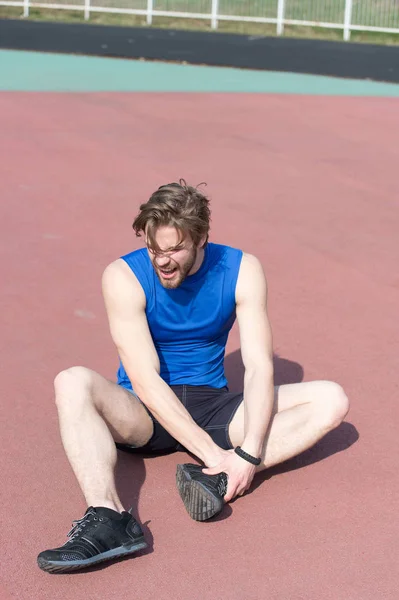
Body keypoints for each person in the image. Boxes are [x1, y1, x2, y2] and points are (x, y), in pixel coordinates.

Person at [37, 180, 349, 573]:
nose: (162, 261)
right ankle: (109, 518)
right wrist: (210, 454)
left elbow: (257, 367)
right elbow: (146, 379)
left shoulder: (242, 269)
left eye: (174, 250)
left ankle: (223, 479)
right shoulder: (123, 275)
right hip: (143, 411)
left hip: (213, 405)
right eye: (154, 249)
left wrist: (248, 454)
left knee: (332, 399)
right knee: (72, 380)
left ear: (201, 239)